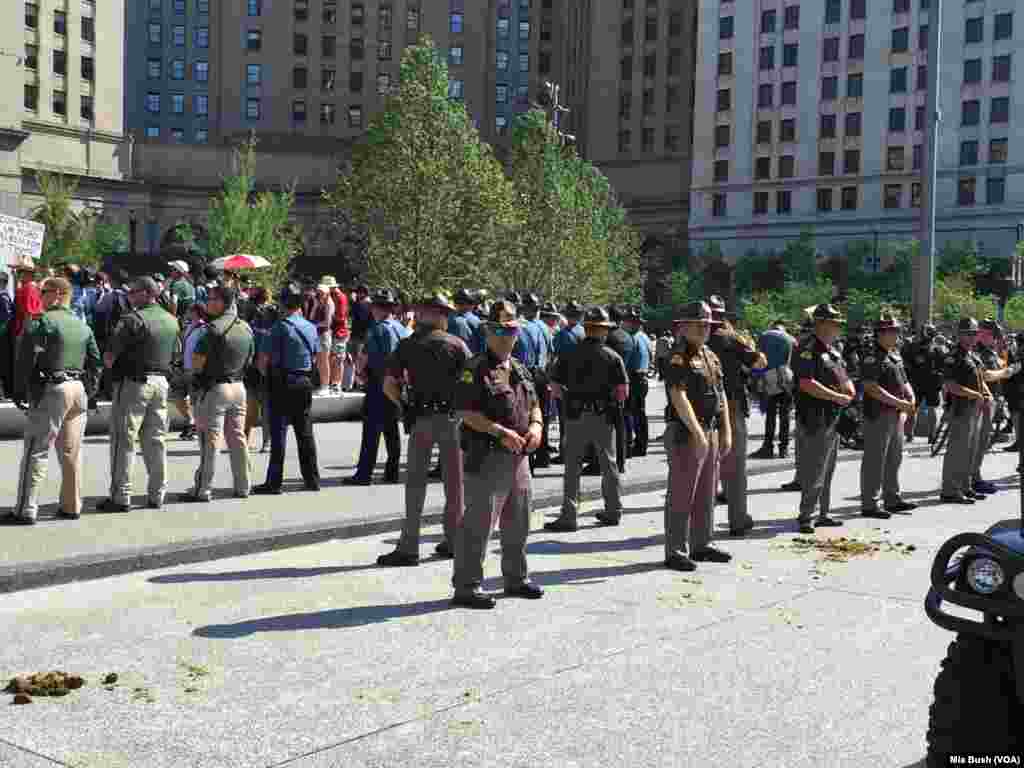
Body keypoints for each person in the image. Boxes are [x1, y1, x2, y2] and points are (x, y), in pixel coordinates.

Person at [452, 299, 545, 609]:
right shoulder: (475, 368)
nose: (507, 337)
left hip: (519, 457)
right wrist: (500, 432)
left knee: (519, 521)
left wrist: (537, 426)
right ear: (488, 332)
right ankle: (467, 585)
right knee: (479, 523)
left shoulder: (519, 368)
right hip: (488, 455)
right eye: (500, 331)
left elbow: (535, 405)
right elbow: (466, 412)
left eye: (511, 330)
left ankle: (516, 578)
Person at [378, 292, 470, 565]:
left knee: (415, 484)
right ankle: (454, 540)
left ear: (423, 315)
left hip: (420, 418)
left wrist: (404, 405)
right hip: (452, 419)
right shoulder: (457, 345)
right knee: (454, 484)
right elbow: (471, 381)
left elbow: (388, 385)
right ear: (440, 315)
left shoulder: (407, 346)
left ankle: (409, 547)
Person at [8, 277, 101, 523]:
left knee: (36, 450)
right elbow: (96, 363)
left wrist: (18, 392)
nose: (40, 295)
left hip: (52, 389)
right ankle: (72, 506)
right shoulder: (82, 325)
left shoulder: (42, 322)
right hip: (78, 389)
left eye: (44, 291)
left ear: (58, 294)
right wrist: (90, 392)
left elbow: (24, 362)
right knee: (72, 452)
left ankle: (25, 509)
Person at [99, 276, 180, 512]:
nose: (130, 296)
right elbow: (176, 353)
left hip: (134, 384)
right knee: (156, 441)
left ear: (146, 293)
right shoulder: (171, 320)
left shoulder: (131, 320)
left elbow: (110, 357)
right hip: (161, 383)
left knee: (123, 440)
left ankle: (120, 496)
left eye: (133, 292)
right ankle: (157, 494)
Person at [662, 301, 733, 571]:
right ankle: (676, 550)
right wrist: (697, 432)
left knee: (707, 491)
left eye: (708, 325)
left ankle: (702, 544)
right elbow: (677, 395)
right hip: (687, 433)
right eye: (700, 325)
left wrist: (725, 431)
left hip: (711, 429)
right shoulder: (677, 355)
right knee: (682, 493)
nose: (705, 330)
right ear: (685, 326)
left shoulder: (710, 355)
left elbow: (722, 395)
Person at [544, 306, 628, 532]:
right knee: (609, 465)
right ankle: (613, 510)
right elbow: (622, 392)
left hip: (574, 415)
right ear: (604, 330)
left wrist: (568, 399)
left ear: (586, 327)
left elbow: (554, 387)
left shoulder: (568, 354)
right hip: (603, 416)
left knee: (572, 466)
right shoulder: (613, 357)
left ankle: (569, 516)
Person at [184, 284, 255, 502]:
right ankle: (243, 485)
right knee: (237, 438)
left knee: (210, 441)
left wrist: (195, 382)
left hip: (215, 389)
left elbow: (197, 364)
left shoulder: (212, 329)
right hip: (239, 387)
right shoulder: (245, 328)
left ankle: (203, 488)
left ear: (223, 302)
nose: (208, 302)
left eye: (212, 298)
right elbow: (250, 359)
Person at [792, 304, 855, 534]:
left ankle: (823, 513)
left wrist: (848, 390)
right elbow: (806, 383)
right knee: (814, 468)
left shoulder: (833, 349)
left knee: (828, 467)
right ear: (820, 324)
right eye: (833, 323)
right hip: (815, 416)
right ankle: (806, 515)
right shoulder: (806, 348)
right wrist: (838, 396)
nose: (838, 327)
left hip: (833, 415)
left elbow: (843, 374)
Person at [254, 283, 321, 494]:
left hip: (282, 381)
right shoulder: (310, 327)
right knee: (305, 432)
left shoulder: (278, 328)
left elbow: (262, 362)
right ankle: (312, 479)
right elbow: (317, 357)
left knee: (279, 433)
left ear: (282, 303)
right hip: (304, 381)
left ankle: (274, 483)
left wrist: (270, 376)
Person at [344, 289, 410, 485]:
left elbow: (366, 357)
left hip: (378, 382)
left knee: (371, 431)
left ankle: (364, 473)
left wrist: (359, 372)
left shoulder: (378, 329)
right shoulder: (400, 328)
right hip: (396, 382)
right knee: (391, 429)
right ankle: (392, 471)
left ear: (376, 308)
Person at [859, 313, 918, 519]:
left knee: (894, 458)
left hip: (896, 414)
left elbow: (904, 380)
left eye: (896, 330)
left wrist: (911, 397)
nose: (896, 334)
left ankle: (892, 498)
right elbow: (870, 387)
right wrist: (900, 403)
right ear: (880, 334)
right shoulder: (872, 355)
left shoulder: (894, 354)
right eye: (892, 331)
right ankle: (870, 504)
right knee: (875, 460)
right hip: (878, 414)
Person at [939, 318, 991, 503]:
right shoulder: (954, 356)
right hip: (961, 409)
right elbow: (951, 385)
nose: (971, 337)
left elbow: (980, 378)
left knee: (970, 450)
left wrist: (985, 394)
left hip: (974, 409)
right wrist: (975, 395)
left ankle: (965, 486)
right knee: (957, 451)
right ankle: (950, 490)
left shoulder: (972, 355)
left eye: (974, 333)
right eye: (968, 333)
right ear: (959, 334)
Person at [970, 319, 1015, 495]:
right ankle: (973, 478)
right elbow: (987, 376)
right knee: (977, 443)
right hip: (980, 404)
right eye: (992, 335)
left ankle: (975, 477)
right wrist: (1006, 372)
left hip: (991, 401)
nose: (995, 339)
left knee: (982, 444)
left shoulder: (989, 351)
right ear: (982, 334)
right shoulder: (979, 352)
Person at [751, 320, 796, 459]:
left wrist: (756, 379)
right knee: (785, 415)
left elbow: (757, 357)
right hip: (786, 378)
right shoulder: (791, 339)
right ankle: (784, 448)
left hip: (768, 377)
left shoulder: (764, 336)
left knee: (770, 415)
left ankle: (768, 447)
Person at [168, 303, 208, 441]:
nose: (187, 313)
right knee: (176, 396)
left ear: (196, 312)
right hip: (183, 368)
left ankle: (195, 427)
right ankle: (190, 421)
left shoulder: (204, 328)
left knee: (195, 401)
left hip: (194, 370)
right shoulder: (188, 327)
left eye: (190, 311)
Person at [244, 287, 276, 452]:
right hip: (266, 368)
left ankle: (245, 440)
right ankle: (267, 442)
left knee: (251, 407)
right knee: (266, 408)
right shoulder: (274, 321)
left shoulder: (250, 322)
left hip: (252, 367)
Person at [623, 307, 652, 457]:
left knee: (627, 412)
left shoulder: (629, 338)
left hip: (633, 377)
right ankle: (641, 445)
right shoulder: (645, 337)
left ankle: (628, 445)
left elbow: (624, 363)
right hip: (643, 377)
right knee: (640, 413)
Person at [324, 276, 349, 394]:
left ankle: (337, 383)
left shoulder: (341, 297)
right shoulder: (331, 296)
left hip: (340, 333)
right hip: (332, 332)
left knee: (338, 358)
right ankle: (332, 382)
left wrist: (328, 316)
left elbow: (341, 317)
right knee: (331, 358)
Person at [310, 282, 334, 395]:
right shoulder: (318, 302)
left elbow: (327, 323)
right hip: (317, 334)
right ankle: (322, 384)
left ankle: (325, 386)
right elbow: (311, 317)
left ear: (327, 293)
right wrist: (315, 305)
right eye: (318, 292)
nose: (319, 294)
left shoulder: (329, 303)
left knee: (324, 361)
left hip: (324, 335)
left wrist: (314, 325)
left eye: (321, 293)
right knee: (319, 361)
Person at [346, 284, 372, 390]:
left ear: (364, 293)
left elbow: (361, 318)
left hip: (362, 337)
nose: (356, 294)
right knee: (353, 360)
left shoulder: (366, 304)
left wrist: (354, 302)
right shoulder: (360, 303)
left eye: (358, 292)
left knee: (359, 361)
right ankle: (356, 382)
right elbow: (351, 315)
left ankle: (361, 383)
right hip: (356, 335)